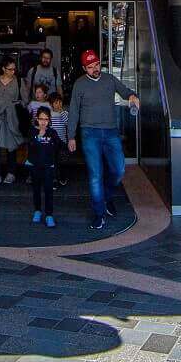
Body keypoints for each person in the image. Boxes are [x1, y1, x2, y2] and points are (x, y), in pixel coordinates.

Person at [67, 48, 139, 229]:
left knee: (119, 170)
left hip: (110, 132)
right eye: (90, 66)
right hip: (89, 133)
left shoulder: (109, 79)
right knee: (95, 175)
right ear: (84, 68)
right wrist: (71, 137)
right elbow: (73, 111)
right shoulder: (79, 84)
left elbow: (125, 91)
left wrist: (132, 96)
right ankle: (99, 213)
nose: (95, 68)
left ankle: (106, 197)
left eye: (97, 64)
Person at [0, 57, 25, 187]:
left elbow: (25, 100)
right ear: (3, 69)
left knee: (11, 144)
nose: (13, 72)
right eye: (10, 69)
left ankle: (11, 172)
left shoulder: (19, 81)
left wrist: (16, 104)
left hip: (11, 116)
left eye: (14, 69)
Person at [27, 106, 64, 228]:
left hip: (48, 165)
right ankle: (37, 210)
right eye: (41, 119)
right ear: (37, 119)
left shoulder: (52, 132)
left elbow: (59, 145)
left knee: (48, 190)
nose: (43, 122)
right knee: (36, 189)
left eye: (46, 119)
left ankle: (49, 214)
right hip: (35, 165)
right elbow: (31, 146)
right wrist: (39, 135)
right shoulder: (32, 131)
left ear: (49, 120)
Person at [47, 92, 70, 186]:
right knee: (53, 161)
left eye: (60, 102)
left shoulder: (64, 113)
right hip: (52, 142)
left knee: (62, 160)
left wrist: (61, 113)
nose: (58, 104)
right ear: (51, 104)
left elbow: (68, 123)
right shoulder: (49, 114)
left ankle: (62, 177)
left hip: (62, 141)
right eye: (56, 103)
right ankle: (54, 178)